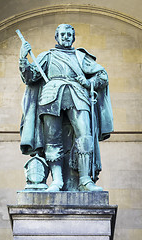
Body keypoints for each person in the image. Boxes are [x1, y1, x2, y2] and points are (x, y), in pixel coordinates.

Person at [19, 24, 113, 192]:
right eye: (62, 34)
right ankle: (57, 180)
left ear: (73, 37)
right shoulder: (47, 56)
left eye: (69, 34)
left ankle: (85, 180)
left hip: (77, 95)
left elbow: (102, 76)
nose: (66, 37)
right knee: (52, 139)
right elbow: (31, 76)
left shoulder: (80, 56)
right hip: (50, 96)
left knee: (85, 136)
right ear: (57, 37)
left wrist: (89, 82)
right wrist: (22, 58)